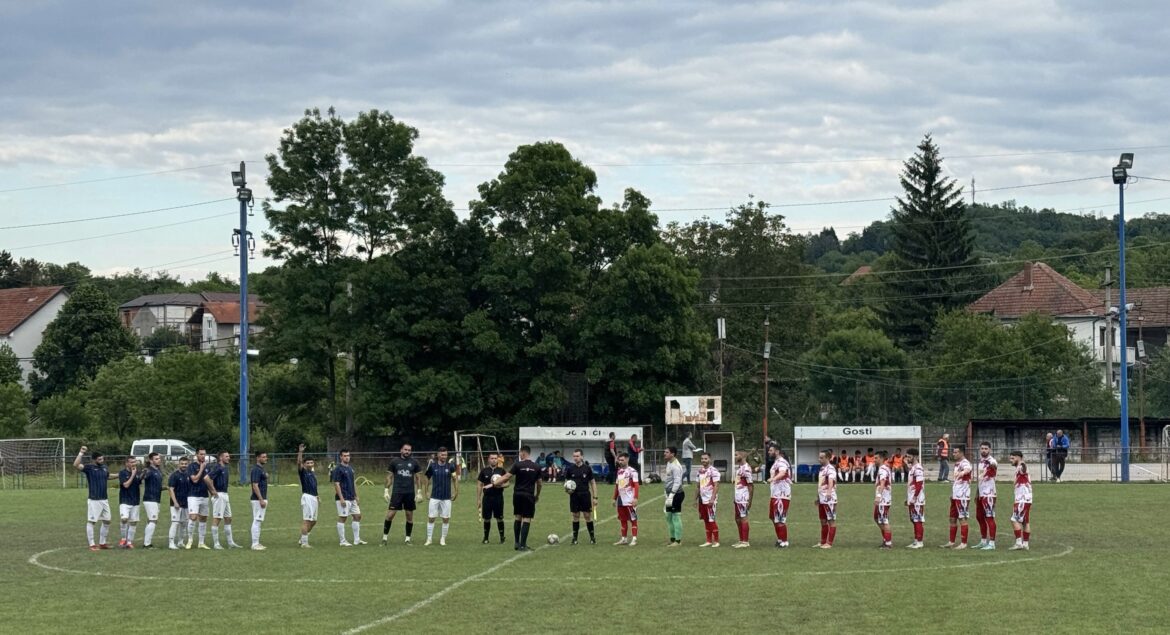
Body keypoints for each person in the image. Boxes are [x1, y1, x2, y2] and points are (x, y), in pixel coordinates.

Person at [493, 445, 542, 551]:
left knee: (518, 517)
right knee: (527, 519)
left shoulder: (518, 465)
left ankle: (516, 543)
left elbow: (507, 477)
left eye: (520, 453)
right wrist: (537, 495)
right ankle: (523, 545)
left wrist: (495, 483)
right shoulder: (537, 466)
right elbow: (539, 483)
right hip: (529, 495)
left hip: (518, 494)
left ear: (523, 453)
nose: (519, 455)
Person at [73, 446, 116, 551]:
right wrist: (81, 453)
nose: (102, 460)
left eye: (102, 459)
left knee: (107, 521)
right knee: (92, 522)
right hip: (94, 500)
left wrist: (121, 475)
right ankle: (92, 544)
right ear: (94, 460)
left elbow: (108, 476)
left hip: (104, 499)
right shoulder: (89, 468)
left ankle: (102, 543)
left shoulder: (104, 467)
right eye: (100, 459)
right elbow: (76, 465)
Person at [382, 443, 423, 545]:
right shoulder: (394, 462)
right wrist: (386, 490)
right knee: (390, 515)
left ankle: (407, 539)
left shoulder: (414, 462)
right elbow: (389, 477)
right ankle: (384, 538)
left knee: (409, 515)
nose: (407, 452)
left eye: (409, 450)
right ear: (401, 450)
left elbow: (418, 478)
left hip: (409, 493)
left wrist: (419, 492)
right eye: (405, 450)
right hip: (397, 492)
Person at [207, 452, 242, 549]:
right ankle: (216, 544)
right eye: (226, 456)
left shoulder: (225, 468)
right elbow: (207, 478)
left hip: (225, 495)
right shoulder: (217, 467)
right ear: (220, 457)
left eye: (229, 456)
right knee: (217, 519)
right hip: (219, 495)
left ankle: (230, 543)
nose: (229, 458)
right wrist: (213, 491)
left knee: (228, 518)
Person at [424, 447, 458, 546]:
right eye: (442, 455)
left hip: (446, 497)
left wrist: (456, 492)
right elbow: (427, 477)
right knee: (431, 518)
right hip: (434, 497)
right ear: (438, 455)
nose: (444, 456)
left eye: (446, 455)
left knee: (446, 519)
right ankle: (429, 539)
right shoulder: (432, 466)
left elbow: (455, 479)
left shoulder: (450, 466)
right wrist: (426, 491)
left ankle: (443, 539)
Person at [563, 449, 598, 545]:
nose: (575, 458)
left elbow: (593, 483)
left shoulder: (587, 468)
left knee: (587, 516)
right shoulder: (570, 469)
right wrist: (567, 489)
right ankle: (574, 539)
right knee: (575, 516)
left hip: (585, 495)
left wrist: (595, 497)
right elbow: (566, 483)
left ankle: (592, 538)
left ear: (582, 456)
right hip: (574, 496)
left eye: (577, 456)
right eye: (574, 456)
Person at [941, 446, 972, 549]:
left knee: (962, 518)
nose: (953, 454)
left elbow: (968, 469)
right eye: (953, 452)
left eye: (955, 452)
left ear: (961, 453)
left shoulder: (965, 463)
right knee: (952, 518)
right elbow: (957, 481)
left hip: (962, 496)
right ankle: (951, 541)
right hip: (956, 495)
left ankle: (964, 543)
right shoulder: (957, 464)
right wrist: (952, 493)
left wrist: (962, 472)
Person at [332, 449, 364, 546]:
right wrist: (341, 498)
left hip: (351, 497)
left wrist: (356, 496)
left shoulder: (350, 468)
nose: (347, 457)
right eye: (345, 455)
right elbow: (336, 484)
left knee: (357, 516)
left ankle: (357, 539)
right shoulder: (338, 469)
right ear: (341, 457)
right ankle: (342, 541)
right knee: (343, 517)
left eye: (348, 455)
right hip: (344, 497)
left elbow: (353, 483)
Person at [476, 452, 508, 544]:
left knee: (499, 518)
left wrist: (500, 486)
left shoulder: (501, 471)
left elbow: (508, 483)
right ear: (489, 459)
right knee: (487, 518)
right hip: (487, 498)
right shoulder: (484, 471)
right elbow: (479, 485)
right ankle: (486, 538)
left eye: (495, 458)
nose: (494, 460)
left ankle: (502, 538)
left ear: (497, 459)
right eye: (492, 458)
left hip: (498, 497)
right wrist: (478, 499)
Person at [612, 452, 640, 546]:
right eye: (619, 460)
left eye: (622, 460)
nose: (620, 462)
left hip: (629, 500)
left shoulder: (632, 471)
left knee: (633, 519)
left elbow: (636, 485)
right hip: (621, 499)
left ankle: (634, 539)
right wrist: (614, 498)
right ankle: (624, 539)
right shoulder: (619, 471)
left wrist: (635, 498)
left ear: (627, 460)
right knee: (622, 520)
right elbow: (617, 486)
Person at [186, 448, 211, 549]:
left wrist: (212, 491)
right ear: (196, 455)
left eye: (204, 454)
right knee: (193, 517)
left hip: (204, 495)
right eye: (201, 454)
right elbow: (195, 480)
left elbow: (209, 480)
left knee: (203, 518)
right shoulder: (192, 466)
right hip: (193, 496)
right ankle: (190, 540)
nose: (203, 456)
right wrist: (201, 469)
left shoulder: (208, 467)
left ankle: (201, 542)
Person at [767, 445, 791, 548]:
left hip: (781, 494)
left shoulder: (781, 462)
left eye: (771, 450)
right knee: (773, 517)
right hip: (775, 494)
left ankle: (785, 542)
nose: (768, 452)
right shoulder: (775, 463)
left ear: (777, 451)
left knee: (780, 518)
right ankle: (780, 538)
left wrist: (773, 479)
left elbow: (782, 472)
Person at [695, 451, 721, 547]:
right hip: (702, 499)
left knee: (711, 519)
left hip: (710, 499)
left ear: (710, 459)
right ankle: (708, 540)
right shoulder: (700, 471)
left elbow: (716, 486)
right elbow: (698, 486)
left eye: (705, 459)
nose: (703, 460)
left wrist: (712, 499)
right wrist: (695, 499)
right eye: (702, 459)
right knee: (705, 519)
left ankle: (716, 541)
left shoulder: (713, 471)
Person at [1008, 450, 1033, 551]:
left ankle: (1019, 543)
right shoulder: (1020, 467)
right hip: (1026, 498)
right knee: (1025, 522)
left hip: (1022, 498)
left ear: (1018, 457)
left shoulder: (1022, 465)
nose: (1011, 460)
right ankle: (1025, 544)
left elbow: (1024, 468)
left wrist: (1021, 466)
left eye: (1013, 458)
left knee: (1014, 520)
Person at [975, 442, 998, 550]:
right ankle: (983, 541)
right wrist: (977, 492)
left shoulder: (991, 460)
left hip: (989, 493)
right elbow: (980, 479)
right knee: (979, 516)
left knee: (989, 517)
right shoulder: (981, 462)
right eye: (982, 448)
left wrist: (992, 465)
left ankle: (992, 543)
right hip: (981, 493)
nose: (984, 450)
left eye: (986, 449)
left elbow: (994, 466)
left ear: (990, 450)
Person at [117, 456, 143, 548]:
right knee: (124, 519)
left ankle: (129, 542)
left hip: (135, 500)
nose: (134, 464)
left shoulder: (138, 473)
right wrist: (132, 474)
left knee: (133, 522)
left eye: (135, 462)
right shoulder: (122, 473)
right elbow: (126, 485)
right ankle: (123, 539)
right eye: (131, 462)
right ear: (126, 463)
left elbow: (139, 483)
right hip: (124, 500)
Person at [297, 444, 319, 548]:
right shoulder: (303, 472)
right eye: (308, 462)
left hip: (314, 498)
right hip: (307, 497)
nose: (310, 464)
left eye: (311, 462)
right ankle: (304, 543)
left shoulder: (312, 473)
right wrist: (300, 452)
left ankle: (302, 538)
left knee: (314, 521)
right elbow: (298, 463)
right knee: (307, 520)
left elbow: (314, 486)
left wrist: (317, 496)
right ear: (305, 464)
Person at [167, 455, 190, 550]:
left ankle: (180, 541)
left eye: (185, 464)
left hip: (186, 503)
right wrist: (175, 502)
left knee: (184, 523)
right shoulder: (174, 475)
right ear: (178, 464)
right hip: (176, 504)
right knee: (175, 523)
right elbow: (171, 489)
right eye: (182, 464)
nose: (184, 465)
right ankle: (171, 543)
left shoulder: (189, 475)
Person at [816, 449, 838, 549]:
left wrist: (829, 493)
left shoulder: (831, 469)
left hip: (829, 499)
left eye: (822, 457)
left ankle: (829, 543)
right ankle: (823, 542)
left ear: (828, 458)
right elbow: (820, 484)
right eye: (819, 457)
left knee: (831, 521)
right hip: (822, 499)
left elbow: (831, 481)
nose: (819, 459)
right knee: (823, 520)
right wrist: (818, 497)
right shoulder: (822, 469)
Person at [662, 447, 685, 546]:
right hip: (669, 494)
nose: (664, 454)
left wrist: (671, 495)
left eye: (666, 452)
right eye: (665, 452)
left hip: (676, 495)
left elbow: (677, 482)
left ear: (673, 454)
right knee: (668, 516)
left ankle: (678, 541)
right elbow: (668, 479)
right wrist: (666, 493)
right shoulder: (669, 463)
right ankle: (672, 539)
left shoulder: (676, 466)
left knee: (676, 516)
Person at [141, 452, 164, 548]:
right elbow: (141, 478)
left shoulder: (158, 471)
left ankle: (147, 542)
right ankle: (147, 544)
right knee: (153, 520)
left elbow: (157, 486)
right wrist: (143, 473)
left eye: (159, 458)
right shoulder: (149, 470)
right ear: (151, 461)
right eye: (156, 459)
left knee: (151, 520)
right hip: (150, 498)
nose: (158, 460)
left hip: (156, 498)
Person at [905, 447, 925, 548]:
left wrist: (915, 497)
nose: (907, 458)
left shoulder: (918, 468)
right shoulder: (912, 468)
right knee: (914, 519)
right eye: (907, 456)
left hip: (917, 499)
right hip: (912, 498)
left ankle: (920, 542)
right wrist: (908, 498)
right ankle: (916, 540)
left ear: (915, 457)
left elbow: (919, 484)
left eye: (909, 457)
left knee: (918, 519)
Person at [731, 449, 753, 548]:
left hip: (744, 498)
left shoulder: (746, 469)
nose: (735, 457)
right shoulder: (740, 468)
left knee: (743, 518)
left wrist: (749, 500)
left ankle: (745, 541)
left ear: (743, 456)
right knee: (737, 519)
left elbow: (751, 486)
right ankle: (741, 540)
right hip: (738, 498)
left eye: (736, 455)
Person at [249, 450, 269, 551]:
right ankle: (254, 544)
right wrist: (261, 499)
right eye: (263, 457)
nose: (266, 458)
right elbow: (255, 485)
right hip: (258, 499)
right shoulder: (256, 469)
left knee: (259, 520)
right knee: (257, 520)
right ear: (258, 458)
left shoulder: (261, 469)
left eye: (266, 457)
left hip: (261, 498)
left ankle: (257, 542)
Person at [874, 450, 893, 549]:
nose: (874, 460)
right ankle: (886, 539)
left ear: (881, 458)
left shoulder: (882, 469)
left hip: (883, 499)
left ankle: (888, 543)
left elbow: (882, 482)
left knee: (884, 521)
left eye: (876, 458)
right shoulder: (884, 468)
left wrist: (878, 495)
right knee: (877, 518)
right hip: (884, 498)